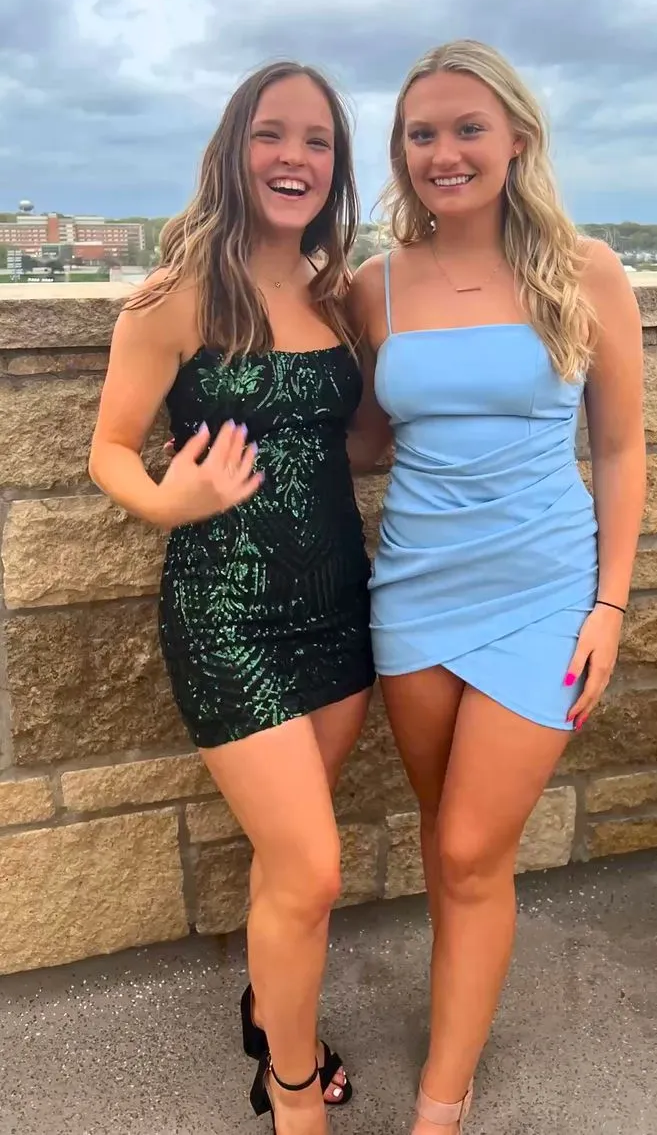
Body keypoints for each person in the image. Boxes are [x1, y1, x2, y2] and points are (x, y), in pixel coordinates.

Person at [348, 39, 646, 1134]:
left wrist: (610, 604)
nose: (444, 152)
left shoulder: (586, 268)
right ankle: (458, 1018)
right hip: (414, 590)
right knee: (448, 837)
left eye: (467, 128)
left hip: (545, 594)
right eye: (421, 133)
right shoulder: (373, 284)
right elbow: (364, 438)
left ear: (516, 137)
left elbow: (620, 447)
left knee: (474, 847)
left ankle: (442, 1098)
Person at [89, 61, 375, 1135]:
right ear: (233, 150)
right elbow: (110, 449)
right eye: (272, 134)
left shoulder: (338, 293)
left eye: (317, 140)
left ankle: (267, 1009)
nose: (294, 157)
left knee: (287, 861)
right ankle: (292, 1091)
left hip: (338, 611)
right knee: (314, 869)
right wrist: (170, 501)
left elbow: (361, 438)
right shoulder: (175, 298)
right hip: (225, 617)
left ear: (336, 165)